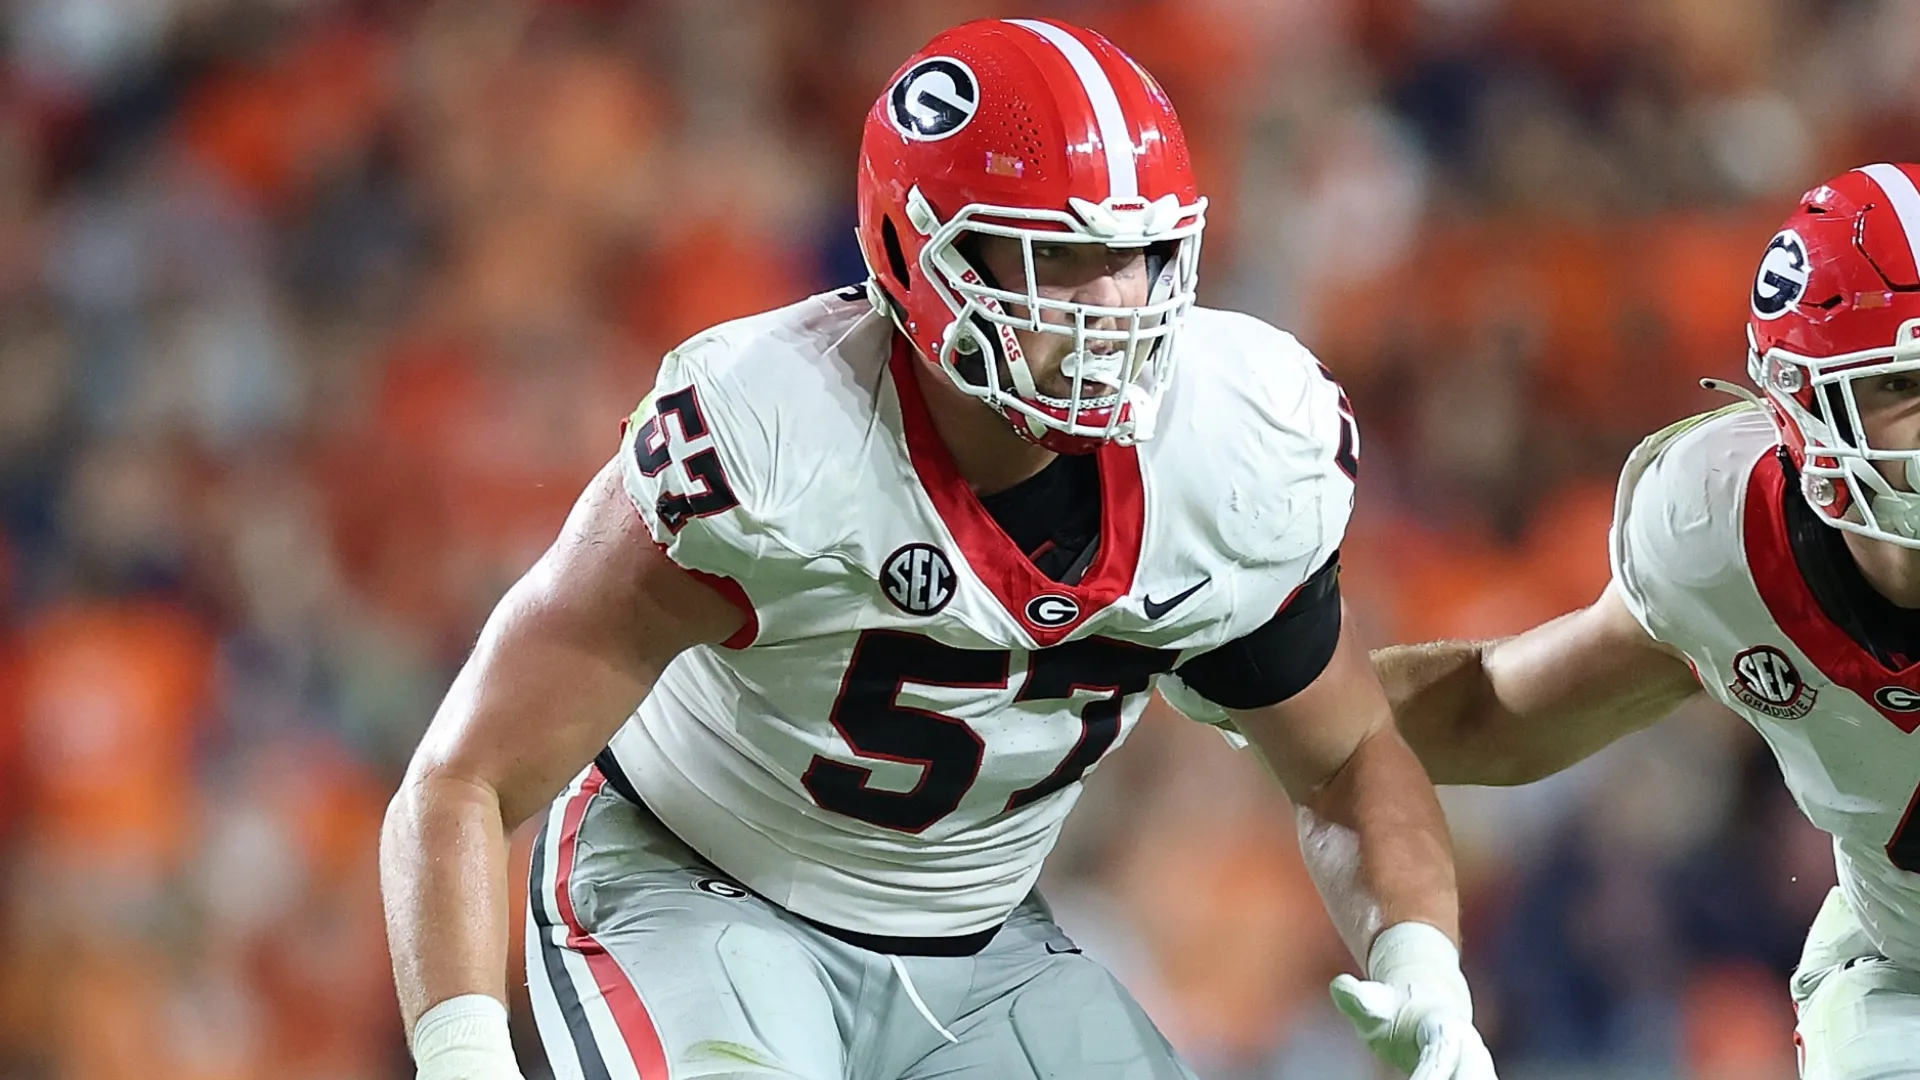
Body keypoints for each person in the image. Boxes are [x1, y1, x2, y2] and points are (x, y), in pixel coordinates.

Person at [381, 17, 1496, 1080]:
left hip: (979, 939)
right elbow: (463, 780)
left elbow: (1349, 757)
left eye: (1140, 255)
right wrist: (464, 1053)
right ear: (914, 256)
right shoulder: (773, 442)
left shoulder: (1238, 446)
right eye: (1053, 262)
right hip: (695, 889)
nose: (1115, 304)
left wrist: (1423, 970)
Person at [1379, 162, 1920, 1080]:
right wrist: (1272, 681)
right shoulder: (1723, 542)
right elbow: (1494, 715)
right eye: (1909, 384)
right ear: (1808, 411)